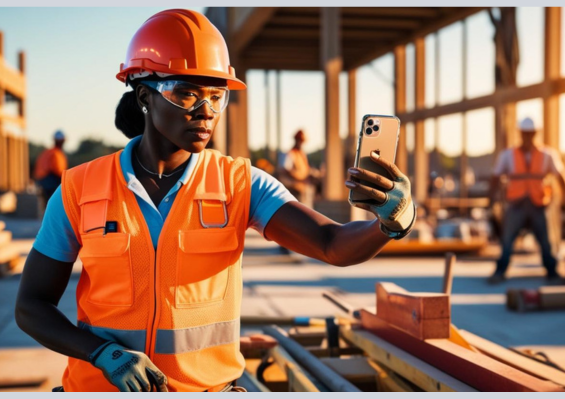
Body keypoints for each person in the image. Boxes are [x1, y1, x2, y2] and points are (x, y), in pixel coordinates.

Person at [15, 9, 415, 392]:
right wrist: (100, 353)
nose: (206, 112)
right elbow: (32, 305)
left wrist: (391, 222)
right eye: (186, 94)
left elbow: (332, 245)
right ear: (144, 96)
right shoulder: (79, 188)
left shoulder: (242, 184)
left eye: (217, 96)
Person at [488, 117, 565, 284]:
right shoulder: (508, 155)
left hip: (539, 204)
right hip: (516, 204)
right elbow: (495, 178)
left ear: (536, 133)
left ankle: (552, 272)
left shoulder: (547, 154)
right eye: (525, 133)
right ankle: (500, 271)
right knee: (507, 240)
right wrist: (491, 200)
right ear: (520, 133)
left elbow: (560, 177)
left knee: (547, 241)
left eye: (531, 133)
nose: (528, 137)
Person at [278, 130, 318, 207]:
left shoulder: (301, 154)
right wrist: (299, 179)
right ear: (296, 140)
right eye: (300, 141)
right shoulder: (290, 154)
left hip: (303, 189)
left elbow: (304, 170)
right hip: (294, 191)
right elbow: (285, 170)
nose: (301, 144)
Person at [33, 130, 67, 206]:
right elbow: (58, 170)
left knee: (48, 204)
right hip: (50, 181)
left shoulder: (47, 152)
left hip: (43, 181)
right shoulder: (56, 154)